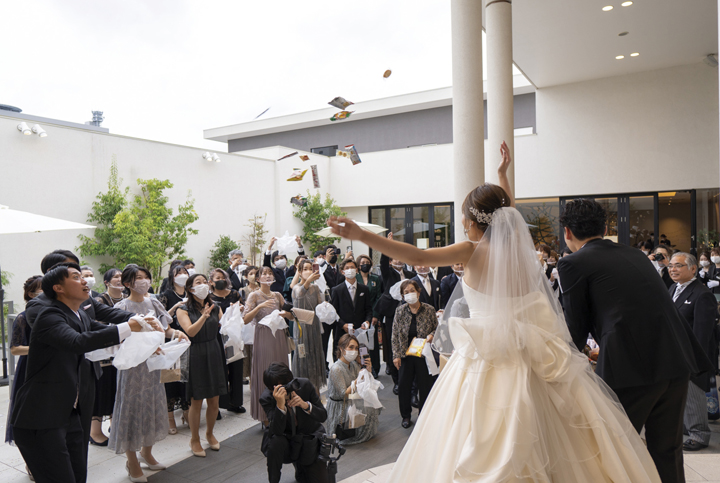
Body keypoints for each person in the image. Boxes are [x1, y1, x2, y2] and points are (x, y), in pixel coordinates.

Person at [329, 141, 664, 482]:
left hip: (487, 356)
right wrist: (503, 175)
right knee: (554, 433)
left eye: (463, 216)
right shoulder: (520, 252)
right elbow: (508, 211)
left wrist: (362, 234)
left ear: (473, 220)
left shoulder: (471, 250)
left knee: (472, 434)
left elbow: (415, 257)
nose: (461, 222)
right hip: (531, 351)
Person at [559, 199, 713, 482]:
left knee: (615, 449)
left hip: (630, 366)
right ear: (605, 228)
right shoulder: (634, 254)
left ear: (567, 232)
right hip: (675, 358)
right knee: (667, 449)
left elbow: (574, 329)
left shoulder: (572, 263)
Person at [11, 263, 155, 483]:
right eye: (77, 277)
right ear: (58, 288)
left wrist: (140, 323)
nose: (86, 281)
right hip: (41, 416)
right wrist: (130, 327)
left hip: (71, 413)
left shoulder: (80, 315)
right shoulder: (49, 315)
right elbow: (77, 342)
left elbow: (105, 333)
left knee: (78, 476)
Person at [110, 264, 188, 482]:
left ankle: (146, 452)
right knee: (132, 409)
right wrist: (145, 344)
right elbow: (118, 339)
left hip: (152, 367)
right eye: (138, 278)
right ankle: (131, 460)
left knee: (151, 405)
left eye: (146, 277)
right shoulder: (121, 307)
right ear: (127, 283)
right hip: (133, 367)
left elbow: (164, 329)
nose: (144, 281)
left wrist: (176, 334)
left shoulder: (152, 301)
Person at [668, 252, 718, 451]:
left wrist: (693, 358)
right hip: (674, 352)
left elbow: (702, 333)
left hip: (693, 355)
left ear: (693, 269)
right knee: (679, 394)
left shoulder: (702, 294)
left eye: (678, 265)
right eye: (671, 265)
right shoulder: (673, 288)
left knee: (693, 394)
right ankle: (686, 428)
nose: (673, 269)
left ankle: (699, 434)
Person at [177, 273, 228, 457]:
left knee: (214, 400)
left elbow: (225, 326)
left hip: (214, 351)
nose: (203, 285)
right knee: (196, 401)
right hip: (195, 354)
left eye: (205, 282)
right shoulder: (182, 309)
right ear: (190, 288)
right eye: (198, 282)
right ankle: (194, 439)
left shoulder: (215, 306)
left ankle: (210, 434)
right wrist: (203, 317)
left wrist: (237, 316)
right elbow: (190, 331)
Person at [25, 249, 136, 329]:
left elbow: (109, 314)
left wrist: (139, 319)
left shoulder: (84, 298)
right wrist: (123, 331)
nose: (83, 280)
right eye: (73, 274)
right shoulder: (38, 306)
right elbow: (74, 339)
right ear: (51, 272)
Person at [259, 362, 328, 483]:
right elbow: (277, 431)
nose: (288, 389)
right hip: (287, 442)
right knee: (275, 441)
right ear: (272, 389)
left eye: (288, 384)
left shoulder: (303, 385)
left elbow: (323, 416)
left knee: (318, 480)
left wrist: (305, 405)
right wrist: (280, 406)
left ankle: (301, 466)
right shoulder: (267, 398)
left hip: (307, 439)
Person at [244, 267, 292, 424]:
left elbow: (290, 315)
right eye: (263, 274)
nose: (267, 275)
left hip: (278, 335)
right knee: (265, 369)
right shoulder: (254, 295)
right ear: (258, 279)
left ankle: (284, 407)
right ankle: (265, 414)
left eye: (270, 273)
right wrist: (259, 307)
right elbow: (245, 319)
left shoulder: (278, 295)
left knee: (281, 369)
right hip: (263, 335)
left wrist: (286, 314)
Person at [5, 275, 42, 474]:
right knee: (26, 416)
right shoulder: (22, 317)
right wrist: (38, 348)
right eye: (41, 289)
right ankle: (30, 462)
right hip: (28, 370)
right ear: (30, 294)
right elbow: (14, 348)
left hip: (49, 369)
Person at [391, 280, 438, 428]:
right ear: (403, 296)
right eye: (406, 292)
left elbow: (437, 329)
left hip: (424, 354)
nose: (410, 294)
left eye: (412, 291)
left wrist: (431, 335)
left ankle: (423, 415)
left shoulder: (429, 309)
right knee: (404, 386)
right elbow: (395, 334)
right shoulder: (400, 311)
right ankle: (406, 415)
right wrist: (396, 355)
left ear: (418, 292)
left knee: (425, 386)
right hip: (406, 355)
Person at [89, 268, 124, 446]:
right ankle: (94, 432)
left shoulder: (126, 298)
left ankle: (114, 425)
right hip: (104, 354)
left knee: (115, 390)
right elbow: (95, 325)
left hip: (122, 352)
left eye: (121, 277)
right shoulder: (100, 300)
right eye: (115, 277)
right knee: (102, 391)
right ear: (107, 282)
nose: (119, 279)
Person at [325, 334, 380, 445]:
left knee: (372, 405)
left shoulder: (354, 365)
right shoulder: (336, 369)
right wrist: (357, 380)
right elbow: (343, 394)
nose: (354, 351)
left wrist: (368, 371)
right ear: (341, 348)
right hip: (341, 405)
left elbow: (364, 387)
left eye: (356, 348)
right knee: (368, 409)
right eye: (351, 347)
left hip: (352, 401)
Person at [375, 243, 416, 391]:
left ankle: (410, 379)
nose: (399, 260)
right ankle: (397, 381)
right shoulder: (387, 273)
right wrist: (388, 245)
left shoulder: (411, 275)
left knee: (409, 345)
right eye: (395, 258)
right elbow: (383, 263)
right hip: (392, 314)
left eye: (401, 257)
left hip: (409, 314)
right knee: (394, 347)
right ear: (391, 261)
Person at [158, 264, 191, 435]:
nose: (182, 275)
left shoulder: (191, 293)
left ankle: (187, 412)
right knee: (171, 380)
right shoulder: (165, 295)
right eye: (178, 273)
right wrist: (175, 307)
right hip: (171, 342)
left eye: (185, 272)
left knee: (186, 380)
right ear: (171, 276)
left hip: (189, 341)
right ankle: (170, 417)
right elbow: (160, 320)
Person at [208, 268, 247, 415]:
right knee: (220, 370)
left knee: (236, 367)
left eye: (223, 277)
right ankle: (217, 404)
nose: (221, 280)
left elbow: (242, 311)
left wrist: (241, 309)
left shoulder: (234, 294)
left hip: (234, 335)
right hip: (217, 336)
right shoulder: (209, 297)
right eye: (217, 278)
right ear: (211, 282)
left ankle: (235, 402)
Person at [290, 259, 327, 392]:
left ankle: (316, 390)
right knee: (303, 356)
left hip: (314, 326)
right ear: (299, 272)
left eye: (310, 268)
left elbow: (319, 306)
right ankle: (301, 389)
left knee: (315, 354)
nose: (308, 271)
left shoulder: (316, 288)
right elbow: (299, 296)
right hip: (302, 328)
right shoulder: (295, 288)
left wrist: (326, 307)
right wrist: (307, 282)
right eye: (305, 269)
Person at [330, 259, 373, 361]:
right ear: (342, 272)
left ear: (357, 270)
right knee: (342, 359)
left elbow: (368, 309)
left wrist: (367, 321)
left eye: (352, 267)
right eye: (347, 268)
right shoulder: (336, 290)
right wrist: (342, 324)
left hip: (360, 332)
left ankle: (363, 373)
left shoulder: (364, 289)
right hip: (342, 332)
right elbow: (333, 313)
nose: (350, 270)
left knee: (363, 358)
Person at [355, 254, 383, 377]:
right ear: (359, 265)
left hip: (372, 315)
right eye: (362, 262)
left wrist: (375, 315)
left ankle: (375, 368)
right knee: (360, 342)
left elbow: (378, 297)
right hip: (359, 314)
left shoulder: (375, 279)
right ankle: (362, 367)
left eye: (367, 262)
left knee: (373, 343)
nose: (365, 264)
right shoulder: (355, 278)